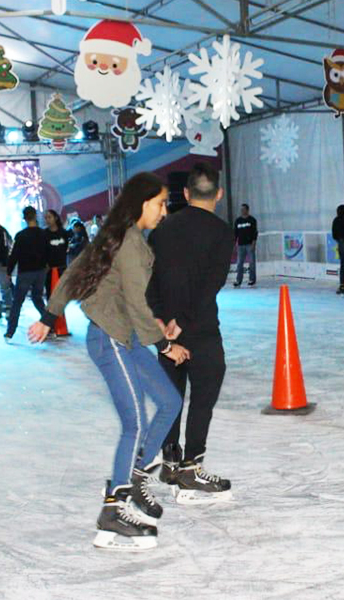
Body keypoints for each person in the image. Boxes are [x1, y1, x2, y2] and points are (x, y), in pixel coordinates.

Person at [28, 172, 187, 552]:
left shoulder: (117, 236)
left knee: (169, 401)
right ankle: (112, 511)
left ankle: (131, 478)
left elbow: (73, 275)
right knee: (135, 422)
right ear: (141, 203)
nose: (164, 211)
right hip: (111, 338)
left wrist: (50, 317)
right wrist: (164, 346)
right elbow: (133, 301)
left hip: (125, 336)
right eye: (160, 203)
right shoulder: (128, 242)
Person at [147, 161, 236, 504]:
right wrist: (182, 320)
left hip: (167, 329)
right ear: (219, 194)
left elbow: (149, 282)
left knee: (171, 397)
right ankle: (189, 466)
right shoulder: (221, 231)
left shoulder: (162, 230)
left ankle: (170, 460)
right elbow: (210, 283)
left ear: (185, 194)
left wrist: (162, 321)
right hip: (199, 326)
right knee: (203, 396)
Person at [4, 207, 51, 341]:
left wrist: (9, 271)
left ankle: (10, 331)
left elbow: (14, 255)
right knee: (37, 298)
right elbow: (48, 252)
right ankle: (49, 325)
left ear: (24, 218)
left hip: (25, 272)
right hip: (40, 271)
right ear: (35, 216)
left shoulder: (20, 236)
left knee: (17, 302)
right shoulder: (43, 234)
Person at [43, 209, 69, 295]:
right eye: (46, 218)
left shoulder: (63, 232)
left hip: (62, 267)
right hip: (49, 269)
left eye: (49, 217)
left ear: (56, 218)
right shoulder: (44, 234)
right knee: (50, 293)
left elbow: (65, 247)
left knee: (62, 293)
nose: (47, 220)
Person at [233, 203, 258, 288]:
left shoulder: (252, 220)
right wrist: (234, 244)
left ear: (247, 210)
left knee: (252, 263)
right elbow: (235, 233)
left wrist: (254, 243)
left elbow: (255, 233)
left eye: (243, 209)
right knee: (239, 263)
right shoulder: (238, 221)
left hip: (249, 244)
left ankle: (252, 280)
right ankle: (238, 280)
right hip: (240, 245)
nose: (242, 211)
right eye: (241, 209)